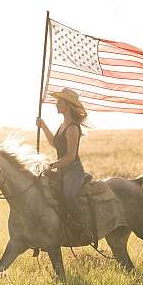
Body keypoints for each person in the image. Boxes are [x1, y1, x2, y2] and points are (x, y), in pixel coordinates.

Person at [36, 88, 92, 235]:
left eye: (59, 102)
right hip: (62, 170)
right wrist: (43, 126)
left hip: (73, 170)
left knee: (68, 196)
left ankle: (81, 227)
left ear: (67, 105)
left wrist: (51, 165)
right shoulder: (63, 125)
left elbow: (70, 157)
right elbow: (55, 143)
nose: (56, 104)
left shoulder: (72, 128)